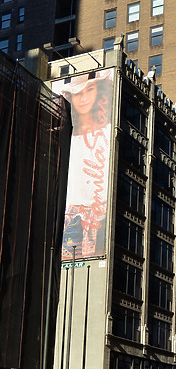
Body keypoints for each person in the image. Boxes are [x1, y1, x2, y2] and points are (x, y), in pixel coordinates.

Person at [57, 70, 113, 259]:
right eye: (77, 93)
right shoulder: (66, 136)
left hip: (100, 216)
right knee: (66, 264)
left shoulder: (107, 131)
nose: (83, 98)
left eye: (89, 90)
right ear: (71, 97)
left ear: (98, 91)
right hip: (70, 217)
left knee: (97, 260)